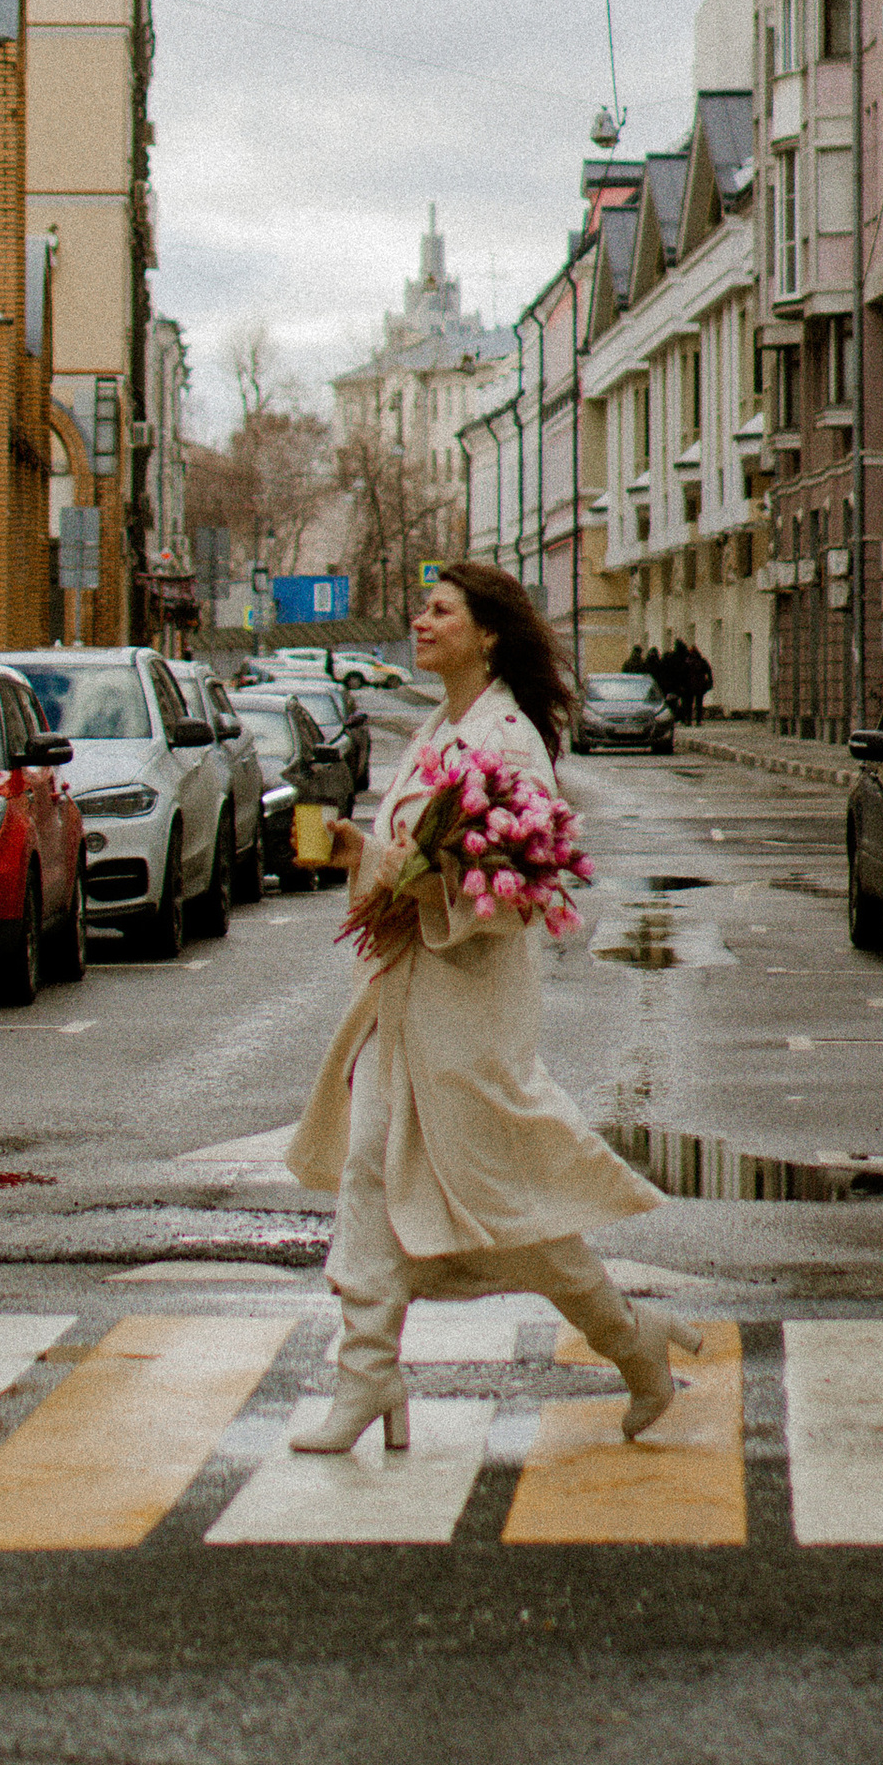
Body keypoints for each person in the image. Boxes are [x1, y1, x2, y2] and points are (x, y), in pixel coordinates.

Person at [285, 561, 698, 1459]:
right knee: (372, 1171)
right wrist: (366, 851)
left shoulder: (507, 742)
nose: (420, 620)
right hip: (406, 997)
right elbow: (413, 852)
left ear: (489, 635)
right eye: (421, 606)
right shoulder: (442, 724)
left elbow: (511, 892)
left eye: (440, 611)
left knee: (507, 1202)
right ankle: (367, 1375)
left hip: (468, 1008)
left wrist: (406, 878)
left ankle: (635, 1345)